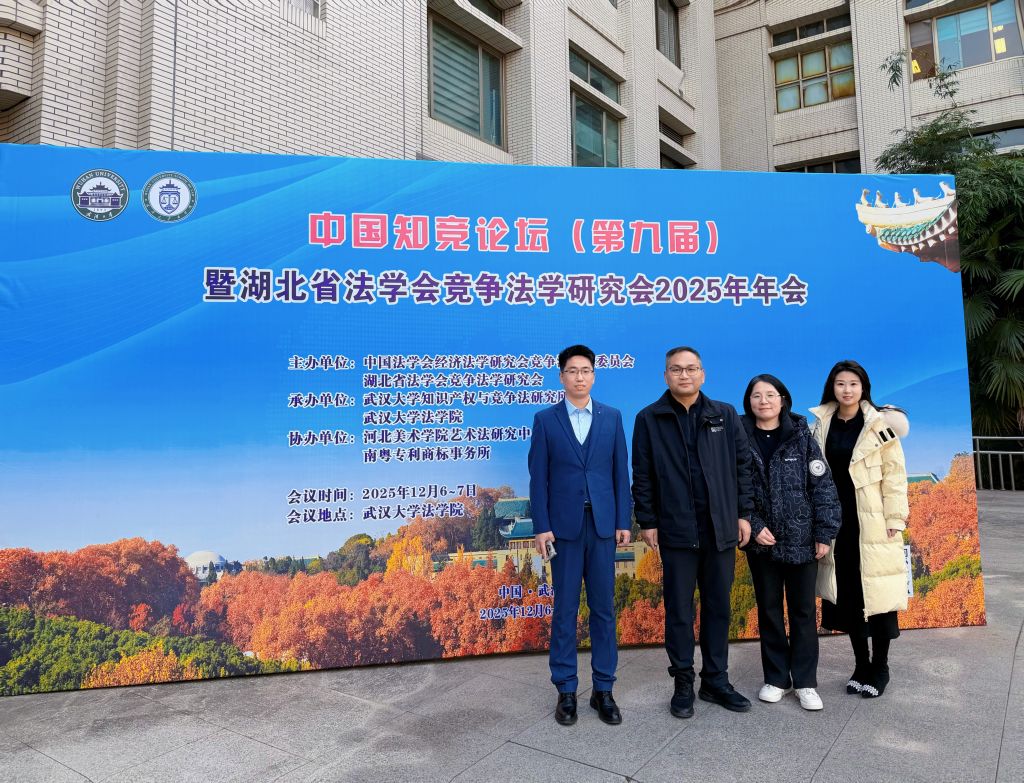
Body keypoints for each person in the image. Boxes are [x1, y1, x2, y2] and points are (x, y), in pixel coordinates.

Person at [631, 346, 753, 719]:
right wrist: (648, 521)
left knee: (718, 607)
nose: (684, 375)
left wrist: (744, 514)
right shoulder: (649, 418)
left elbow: (743, 467)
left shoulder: (724, 415)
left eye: (691, 368)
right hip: (676, 530)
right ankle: (683, 681)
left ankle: (715, 680)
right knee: (679, 611)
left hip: (720, 529)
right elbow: (642, 474)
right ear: (665, 376)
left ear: (703, 374)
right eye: (676, 369)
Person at [529, 344, 632, 726]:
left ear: (594, 375)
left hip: (603, 527)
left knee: (604, 609)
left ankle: (604, 689)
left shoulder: (612, 417)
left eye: (585, 370)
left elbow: (620, 473)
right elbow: (538, 478)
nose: (579, 377)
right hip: (564, 529)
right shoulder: (546, 420)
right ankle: (567, 690)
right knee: (565, 610)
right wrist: (542, 526)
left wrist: (623, 520)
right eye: (572, 371)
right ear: (561, 377)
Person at [809, 360, 909, 699]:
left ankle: (880, 667)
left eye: (853, 384)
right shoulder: (821, 424)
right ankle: (860, 665)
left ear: (864, 387)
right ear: (832, 387)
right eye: (841, 384)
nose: (847, 390)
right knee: (849, 595)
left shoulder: (880, 425)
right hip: (837, 523)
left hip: (872, 521)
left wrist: (895, 518)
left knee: (876, 596)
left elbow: (895, 475)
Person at [741, 374, 841, 711]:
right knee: (769, 611)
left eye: (771, 394)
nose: (764, 401)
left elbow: (823, 487)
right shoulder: (739, 438)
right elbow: (733, 489)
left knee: (803, 611)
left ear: (783, 399)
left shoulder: (802, 438)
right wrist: (754, 525)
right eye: (757, 395)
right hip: (762, 544)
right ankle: (776, 679)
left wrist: (824, 532)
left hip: (803, 541)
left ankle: (806, 682)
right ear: (749, 401)